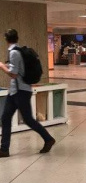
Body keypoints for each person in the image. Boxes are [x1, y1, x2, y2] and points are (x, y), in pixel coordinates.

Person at [0, 29, 55, 158]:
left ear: (6, 39)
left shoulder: (14, 53)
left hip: (21, 91)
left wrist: (2, 66)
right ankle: (4, 149)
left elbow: (13, 74)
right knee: (6, 118)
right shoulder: (18, 51)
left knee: (28, 120)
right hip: (15, 91)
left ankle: (48, 139)